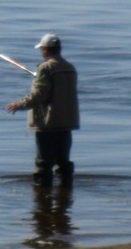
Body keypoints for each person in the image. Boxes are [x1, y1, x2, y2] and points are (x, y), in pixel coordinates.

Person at [5, 34, 79, 188]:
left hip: (47, 124)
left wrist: (18, 105)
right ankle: (65, 193)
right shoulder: (70, 68)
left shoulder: (45, 68)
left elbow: (38, 95)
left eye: (41, 50)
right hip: (66, 123)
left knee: (43, 164)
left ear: (45, 50)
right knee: (63, 162)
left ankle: (42, 197)